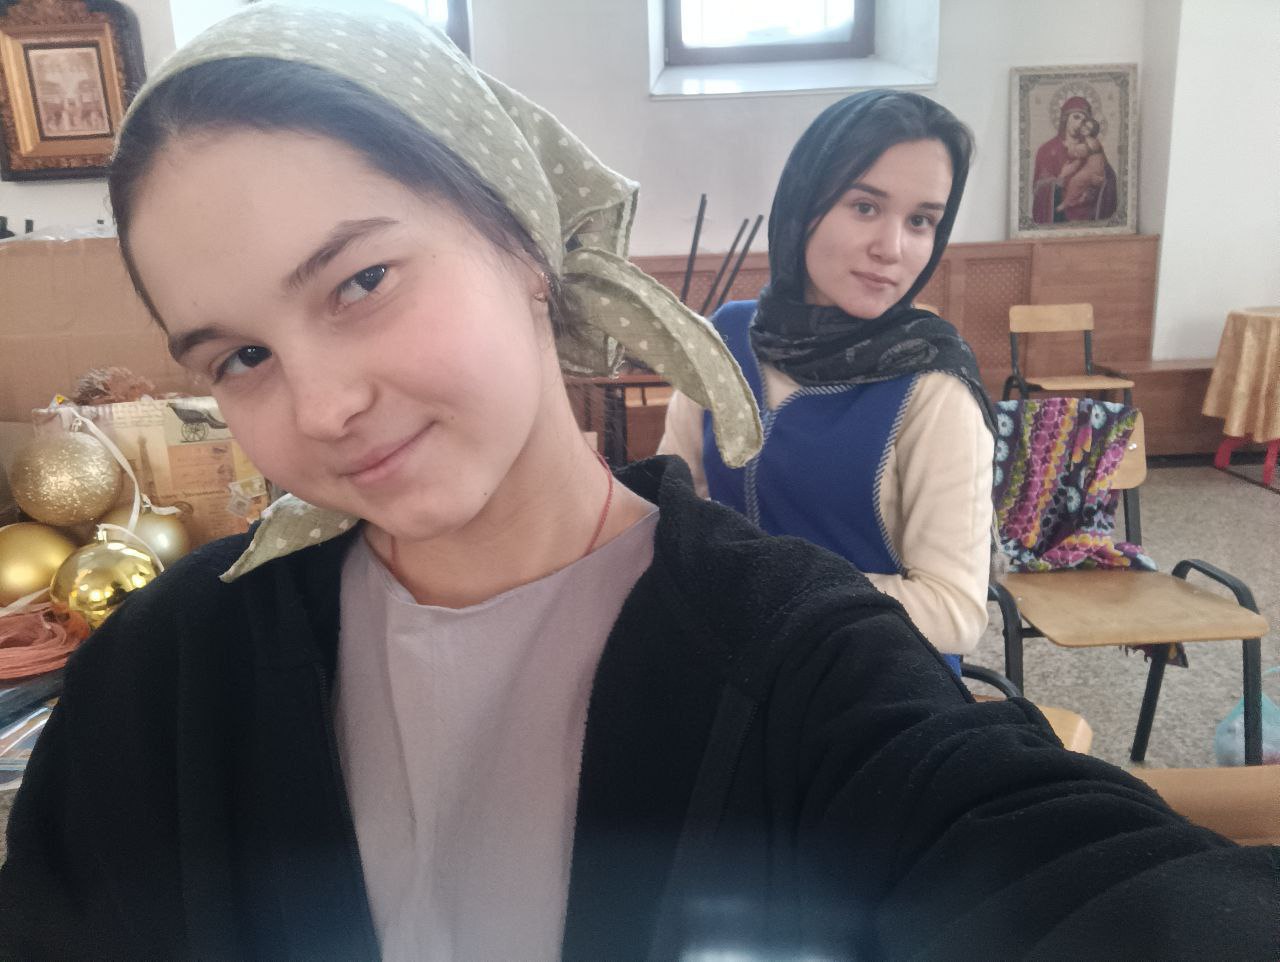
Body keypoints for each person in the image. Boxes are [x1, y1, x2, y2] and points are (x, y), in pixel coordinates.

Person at [1, 7, 1275, 961]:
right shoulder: (162, 674)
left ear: (525, 242)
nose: (321, 403)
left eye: (362, 280)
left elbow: (1074, 877)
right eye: (240, 357)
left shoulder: (802, 662)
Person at [660, 90, 994, 663]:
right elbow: (674, 504)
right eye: (864, 206)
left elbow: (954, 613)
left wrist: (761, 589)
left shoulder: (933, 385)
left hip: (870, 682)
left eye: (921, 221)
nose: (891, 248)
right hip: (731, 665)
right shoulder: (725, 339)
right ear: (804, 202)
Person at [1031, 95, 1118, 224]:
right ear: (1065, 119)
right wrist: (1061, 178)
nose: (1080, 123)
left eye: (1084, 120)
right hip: (1059, 218)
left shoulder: (1091, 146)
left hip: (1090, 217)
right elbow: (1038, 190)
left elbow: (1109, 178)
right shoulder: (1047, 150)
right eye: (1076, 117)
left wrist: (1100, 183)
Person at [1057, 116, 1108, 214]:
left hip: (1095, 169)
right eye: (1084, 125)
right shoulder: (1086, 140)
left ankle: (1068, 203)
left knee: (1076, 180)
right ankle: (1076, 198)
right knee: (1073, 176)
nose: (1084, 128)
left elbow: (1080, 151)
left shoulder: (1092, 141)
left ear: (1092, 131)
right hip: (1090, 166)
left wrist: (1069, 147)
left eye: (1088, 128)